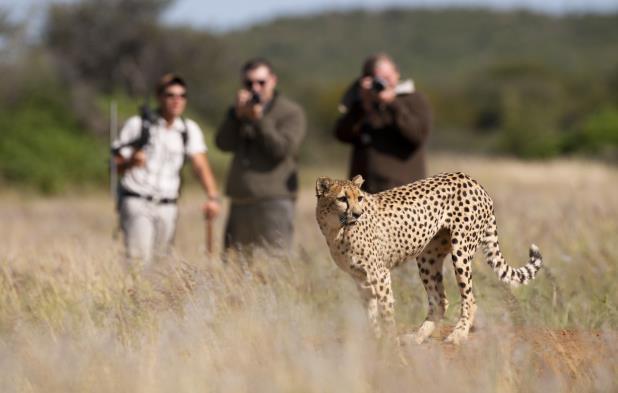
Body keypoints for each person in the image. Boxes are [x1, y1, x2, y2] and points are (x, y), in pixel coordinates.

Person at [112, 73, 221, 264]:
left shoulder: (189, 129)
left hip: (168, 204)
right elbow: (115, 166)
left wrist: (212, 197)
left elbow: (200, 164)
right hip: (138, 199)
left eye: (182, 96)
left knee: (161, 264)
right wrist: (131, 162)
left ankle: (152, 294)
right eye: (171, 95)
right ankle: (135, 293)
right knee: (138, 261)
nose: (177, 100)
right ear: (160, 97)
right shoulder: (138, 125)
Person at [215, 58, 306, 252]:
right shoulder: (239, 112)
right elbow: (222, 144)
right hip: (240, 200)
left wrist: (259, 120)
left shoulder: (291, 112)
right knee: (235, 268)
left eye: (261, 82)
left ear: (273, 80)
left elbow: (281, 150)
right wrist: (235, 117)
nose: (255, 88)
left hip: (274, 200)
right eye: (249, 83)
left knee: (275, 266)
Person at [333, 53, 432, 193]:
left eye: (386, 78)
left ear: (397, 74)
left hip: (405, 193)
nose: (383, 84)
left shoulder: (414, 99)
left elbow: (417, 136)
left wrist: (392, 103)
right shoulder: (362, 105)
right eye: (377, 79)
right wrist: (362, 106)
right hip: (365, 193)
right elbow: (341, 134)